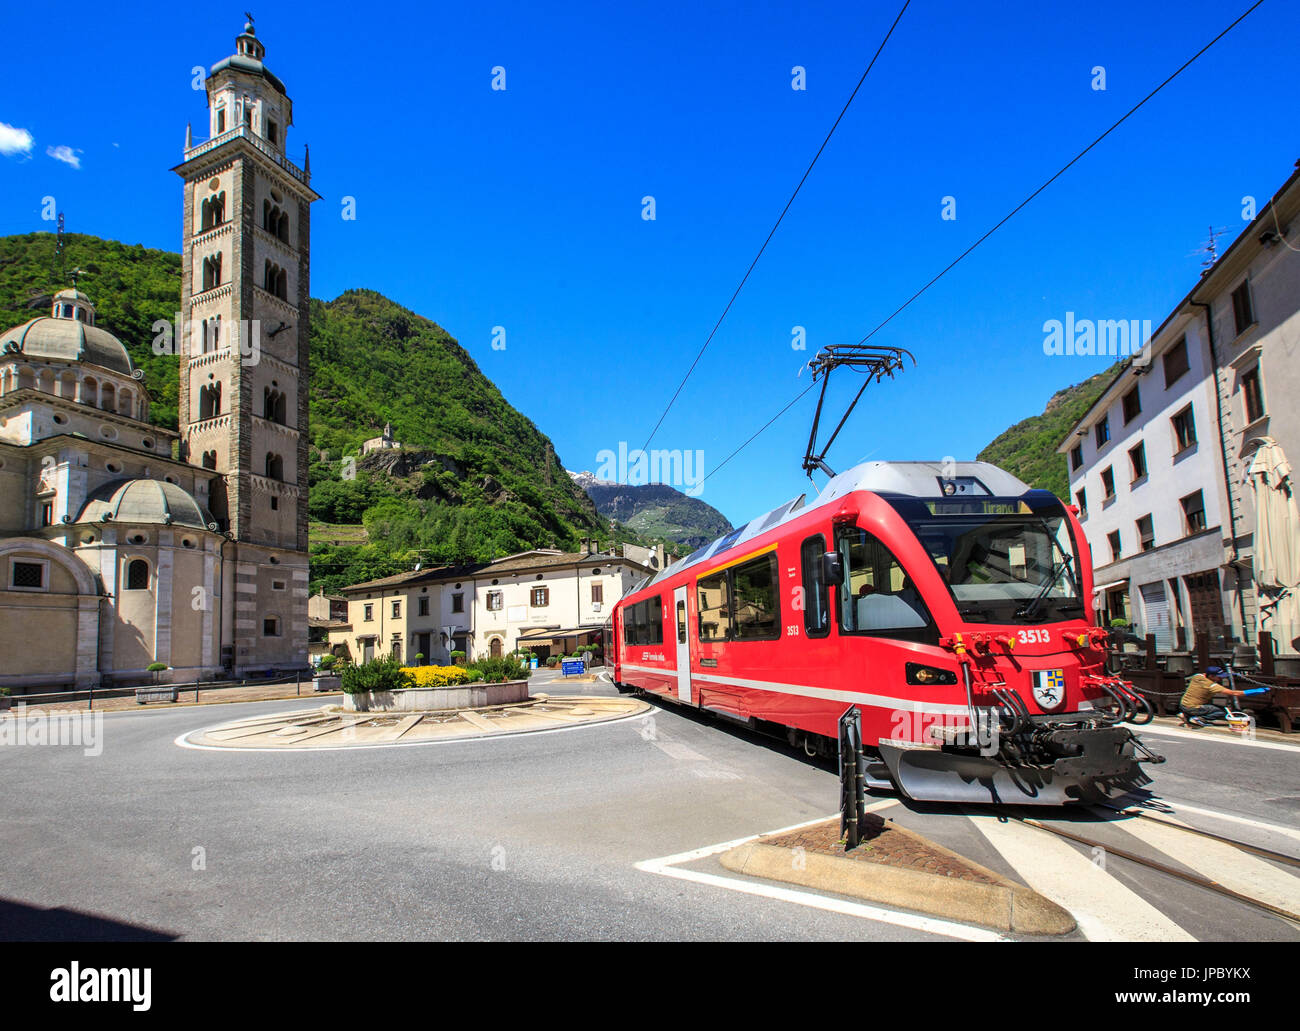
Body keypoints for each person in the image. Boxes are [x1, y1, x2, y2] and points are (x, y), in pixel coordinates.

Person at [1179, 666, 1247, 727]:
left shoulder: (1197, 676)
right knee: (1224, 712)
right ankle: (1199, 719)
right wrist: (1255, 691)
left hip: (1183, 705)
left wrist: (1234, 674)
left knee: (1209, 707)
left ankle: (1186, 715)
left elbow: (1205, 674)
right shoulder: (1211, 685)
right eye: (1219, 677)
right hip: (1194, 708)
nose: (1221, 678)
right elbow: (1234, 693)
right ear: (1211, 676)